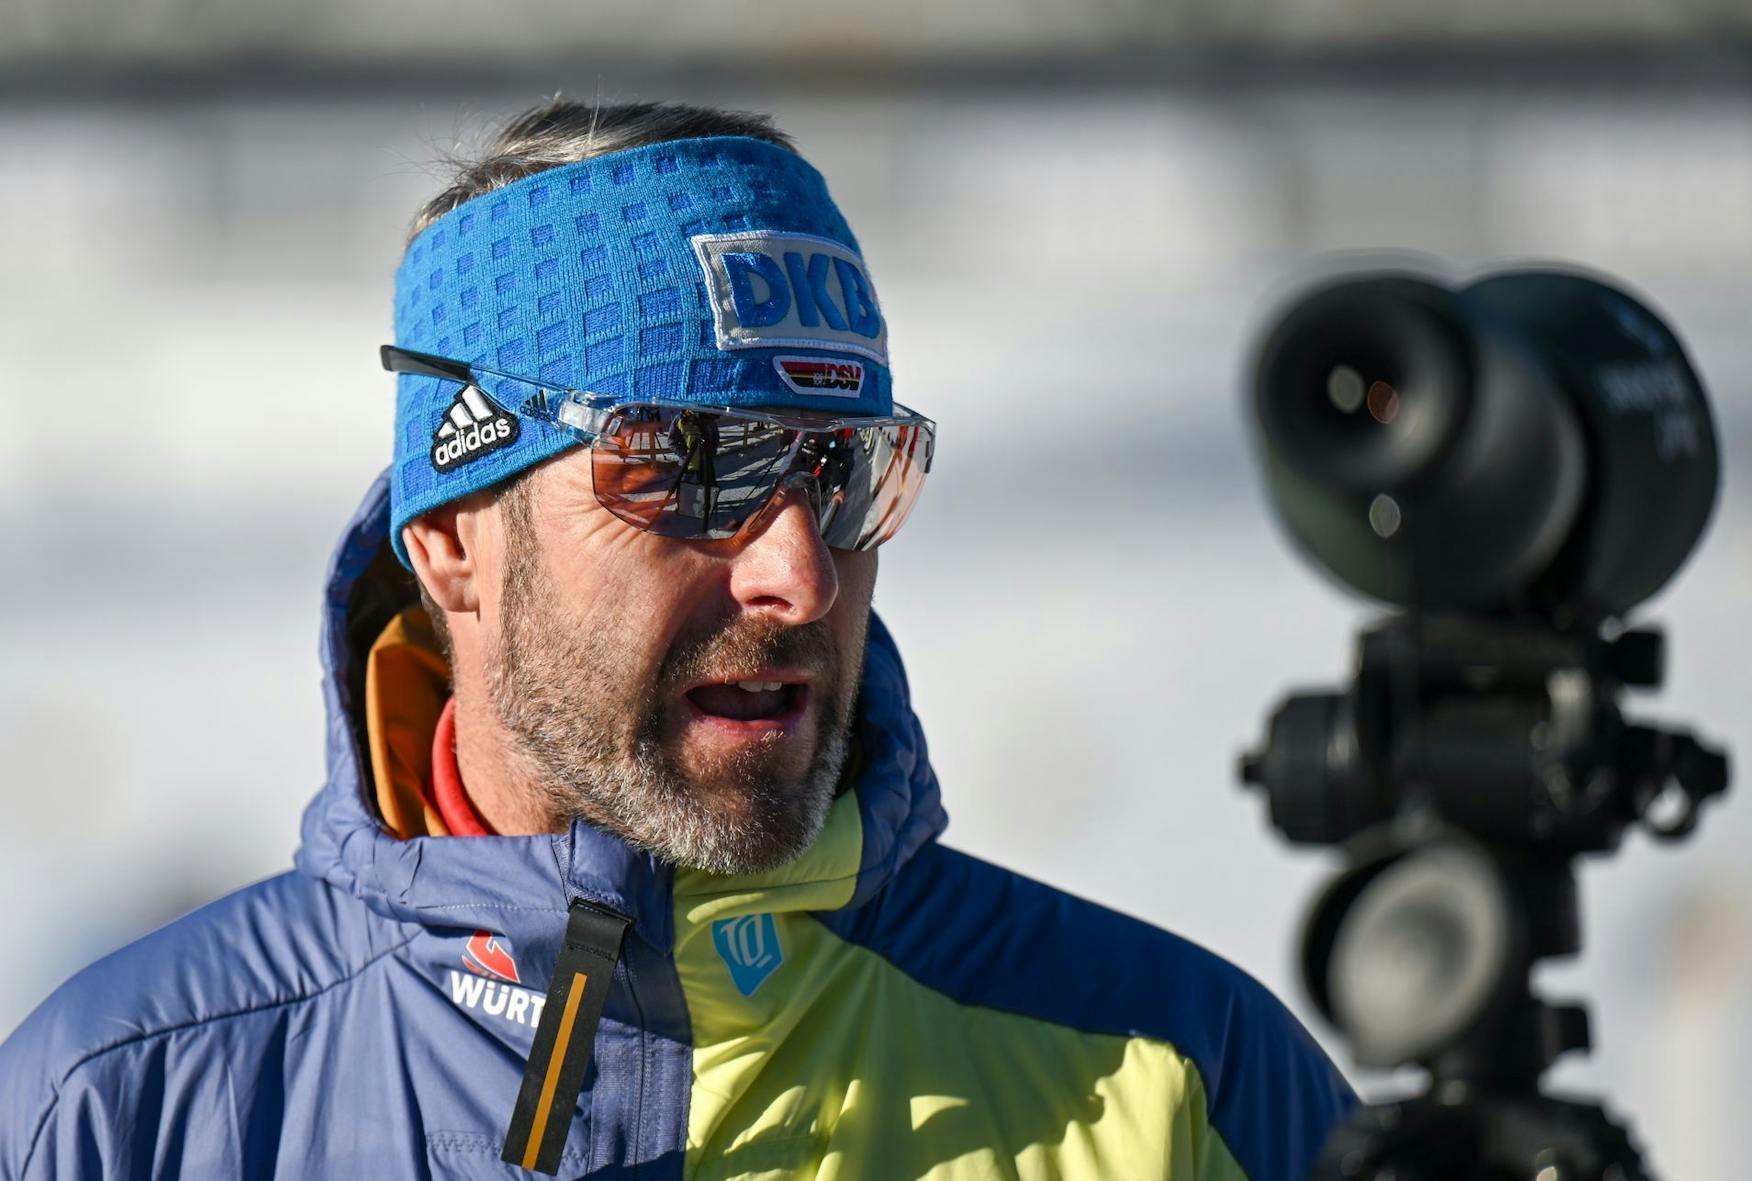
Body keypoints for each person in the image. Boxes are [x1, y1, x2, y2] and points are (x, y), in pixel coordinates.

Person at [0, 99, 1354, 1180]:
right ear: (453, 539)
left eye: (842, 473)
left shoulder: (1180, 1079)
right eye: (687, 468)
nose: (798, 576)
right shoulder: (128, 1108)